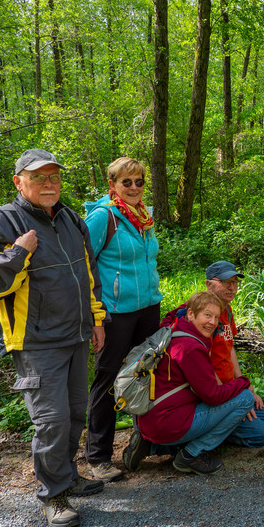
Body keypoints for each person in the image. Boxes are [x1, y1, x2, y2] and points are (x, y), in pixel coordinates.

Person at [0, 149, 107, 527]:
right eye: (39, 176)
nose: (49, 183)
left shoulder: (71, 218)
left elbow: (87, 273)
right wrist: (18, 254)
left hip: (75, 334)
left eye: (54, 176)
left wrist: (96, 319)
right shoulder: (5, 221)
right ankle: (53, 496)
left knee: (76, 412)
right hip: (35, 340)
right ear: (18, 182)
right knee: (52, 419)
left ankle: (68, 476)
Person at [123, 260, 264, 468]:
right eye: (225, 282)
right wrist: (239, 393)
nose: (232, 287)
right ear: (209, 284)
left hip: (194, 400)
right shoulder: (192, 333)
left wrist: (241, 382)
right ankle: (188, 452)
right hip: (196, 400)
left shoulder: (224, 311)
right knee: (258, 433)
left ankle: (160, 445)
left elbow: (229, 348)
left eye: (234, 282)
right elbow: (210, 389)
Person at [83, 157, 162, 483]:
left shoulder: (145, 216)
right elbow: (83, 266)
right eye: (126, 182)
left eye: (139, 181)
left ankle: (143, 440)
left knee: (144, 376)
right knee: (108, 379)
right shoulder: (103, 218)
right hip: (115, 312)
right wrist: (96, 317)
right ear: (112, 185)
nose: (133, 187)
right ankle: (98, 456)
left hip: (148, 307)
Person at [130, 292, 255, 475]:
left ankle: (153, 446)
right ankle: (191, 455)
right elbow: (213, 396)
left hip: (151, 416)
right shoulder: (190, 347)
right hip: (166, 422)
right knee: (245, 399)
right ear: (190, 314)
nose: (212, 322)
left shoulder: (173, 331)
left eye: (215, 317)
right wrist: (243, 383)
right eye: (207, 315)